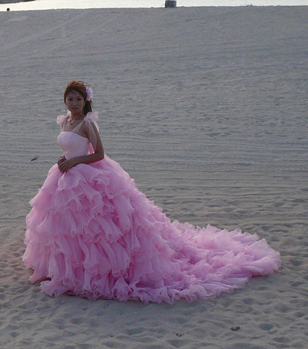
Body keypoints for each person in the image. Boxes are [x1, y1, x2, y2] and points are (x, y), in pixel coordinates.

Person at [23, 80, 281, 304]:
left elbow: (98, 154)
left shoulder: (88, 124)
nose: (74, 103)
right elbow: (69, 146)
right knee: (68, 225)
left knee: (100, 226)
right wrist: (65, 158)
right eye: (70, 99)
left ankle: (98, 271)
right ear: (65, 100)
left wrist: (76, 161)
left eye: (78, 99)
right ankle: (67, 267)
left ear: (85, 101)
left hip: (87, 176)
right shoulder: (65, 121)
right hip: (66, 176)